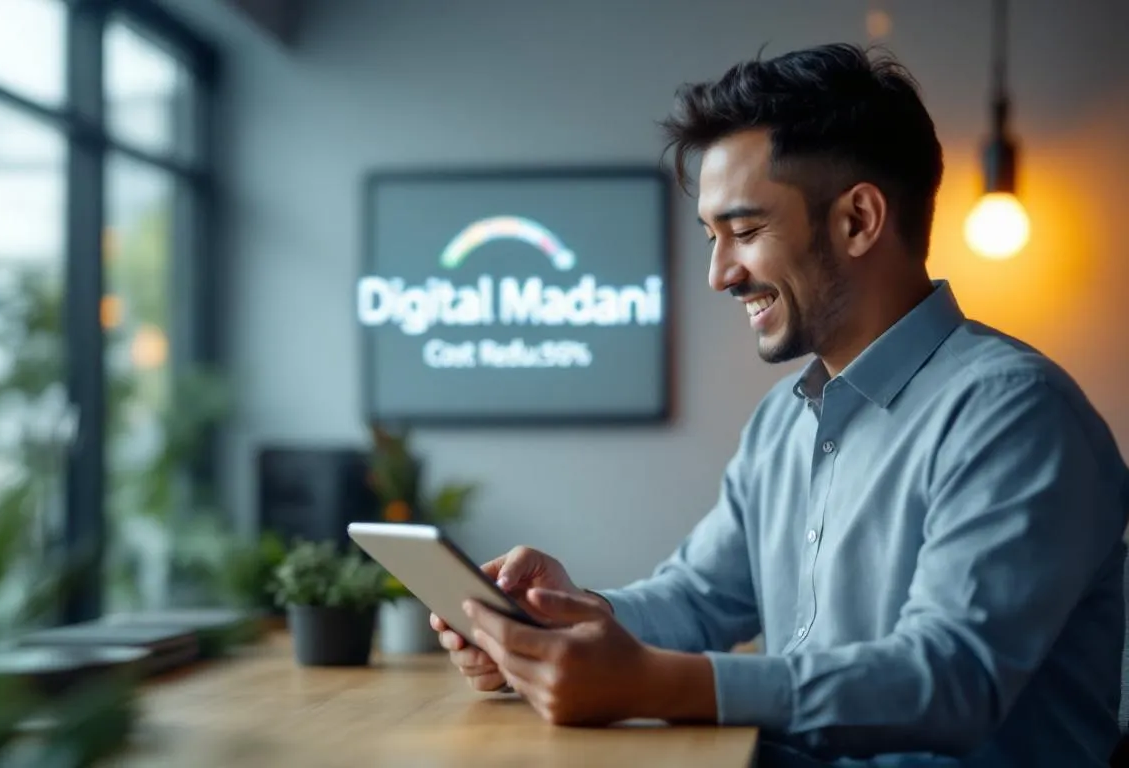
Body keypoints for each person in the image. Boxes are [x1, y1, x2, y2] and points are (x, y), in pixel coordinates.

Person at [431, 43, 1129, 767]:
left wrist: (655, 684)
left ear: (858, 220)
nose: (718, 274)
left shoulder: (1014, 414)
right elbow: (698, 599)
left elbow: (949, 680)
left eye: (745, 231)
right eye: (711, 237)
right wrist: (566, 620)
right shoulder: (781, 425)